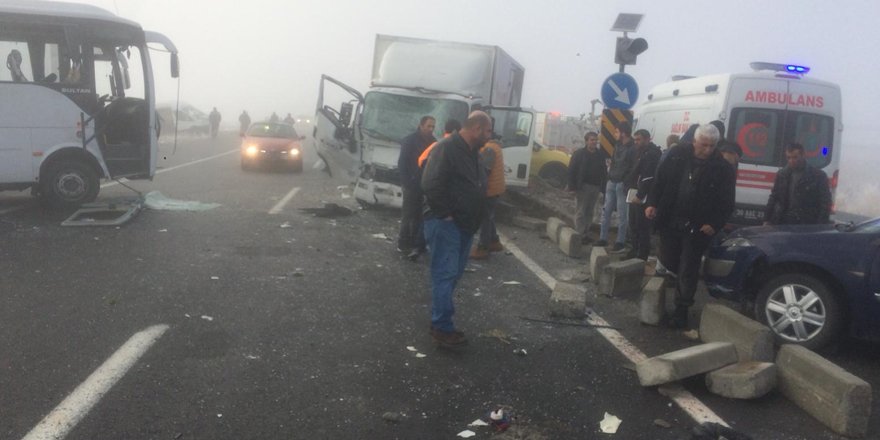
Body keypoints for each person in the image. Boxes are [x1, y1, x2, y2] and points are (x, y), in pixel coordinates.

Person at [645, 124, 736, 329]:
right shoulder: (677, 155)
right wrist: (652, 203)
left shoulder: (722, 168)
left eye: (712, 146)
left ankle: (681, 309)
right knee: (668, 259)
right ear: (695, 141)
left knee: (688, 266)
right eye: (704, 145)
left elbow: (727, 201)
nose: (707, 150)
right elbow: (659, 180)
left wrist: (714, 223)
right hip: (671, 219)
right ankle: (677, 287)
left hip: (698, 226)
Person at [421, 111, 492, 348]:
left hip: (464, 225)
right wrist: (446, 214)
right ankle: (442, 328)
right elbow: (430, 183)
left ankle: (440, 321)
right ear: (477, 128)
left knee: (453, 275)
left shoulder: (473, 153)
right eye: (488, 132)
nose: (489, 137)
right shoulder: (447, 148)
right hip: (445, 223)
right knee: (446, 273)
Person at [396, 116, 437, 259]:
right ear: (421, 125)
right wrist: (406, 182)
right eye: (429, 126)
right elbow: (402, 163)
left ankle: (415, 244)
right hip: (411, 184)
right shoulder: (409, 140)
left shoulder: (434, 143)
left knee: (421, 216)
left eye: (433, 127)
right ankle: (403, 243)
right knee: (408, 215)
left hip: (424, 185)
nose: (431, 129)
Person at [763, 142, 831, 225]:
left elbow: (825, 202)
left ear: (803, 155)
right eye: (789, 158)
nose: (791, 161)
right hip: (783, 221)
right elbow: (774, 197)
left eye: (795, 157)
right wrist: (766, 219)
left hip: (807, 223)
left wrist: (820, 224)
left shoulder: (818, 176)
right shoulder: (782, 174)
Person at [596, 122, 636, 252]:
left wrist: (624, 181)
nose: (615, 134)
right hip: (612, 181)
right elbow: (613, 162)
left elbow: (632, 168)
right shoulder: (618, 145)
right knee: (606, 211)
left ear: (623, 133)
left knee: (622, 214)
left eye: (617, 132)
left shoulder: (632, 149)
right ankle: (603, 238)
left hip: (622, 184)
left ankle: (620, 241)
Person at [624, 129, 662, 261]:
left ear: (647, 139)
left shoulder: (652, 154)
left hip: (643, 197)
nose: (636, 142)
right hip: (635, 191)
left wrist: (640, 195)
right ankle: (634, 250)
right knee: (633, 224)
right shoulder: (640, 152)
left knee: (641, 226)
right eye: (635, 140)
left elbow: (648, 177)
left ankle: (641, 255)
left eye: (639, 140)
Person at [470, 132, 505, 260]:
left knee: (485, 218)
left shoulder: (489, 149)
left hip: (489, 189)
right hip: (495, 188)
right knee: (488, 216)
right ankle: (494, 241)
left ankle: (483, 247)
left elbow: (485, 171)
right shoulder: (496, 147)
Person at [567, 131, 607, 242]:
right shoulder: (579, 154)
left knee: (590, 211)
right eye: (592, 140)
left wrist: (603, 187)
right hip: (583, 187)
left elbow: (604, 171)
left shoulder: (600, 155)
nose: (594, 142)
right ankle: (579, 234)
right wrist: (572, 187)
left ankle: (586, 232)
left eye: (595, 140)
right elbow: (571, 170)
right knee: (581, 211)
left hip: (595, 187)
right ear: (586, 141)